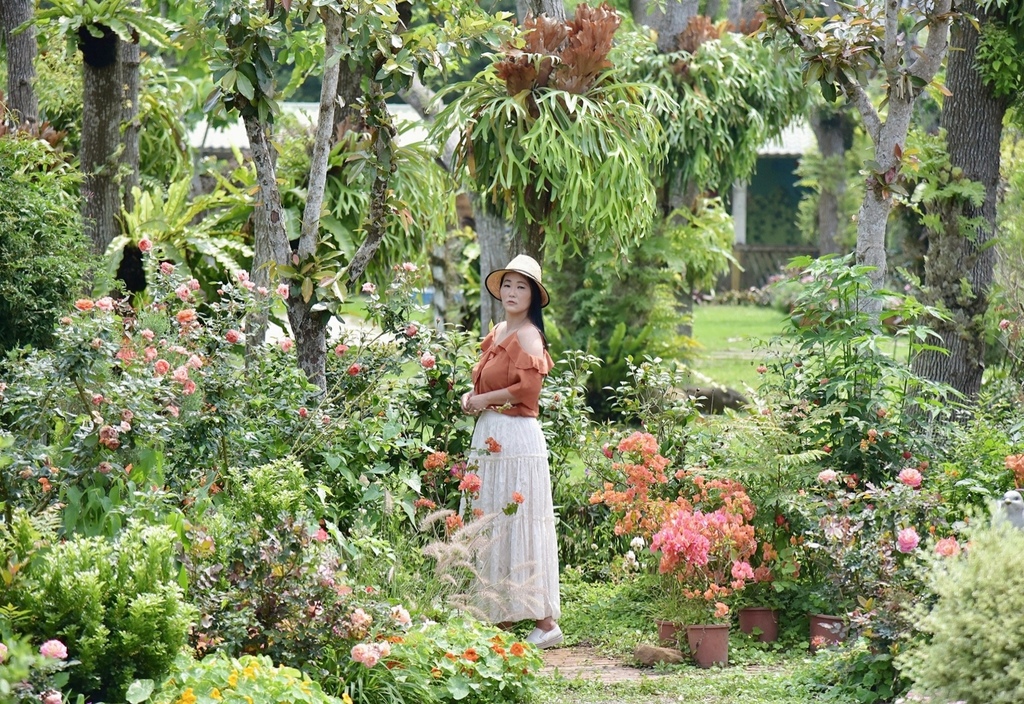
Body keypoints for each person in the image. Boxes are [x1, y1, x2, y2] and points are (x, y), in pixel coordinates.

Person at [460, 254, 562, 649]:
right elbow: (490, 381)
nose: (513, 292)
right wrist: (475, 397)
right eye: (508, 285)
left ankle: (545, 621)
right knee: (496, 520)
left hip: (517, 437)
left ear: (534, 296)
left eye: (522, 287)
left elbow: (527, 391)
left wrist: (484, 398)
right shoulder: (501, 329)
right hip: (493, 434)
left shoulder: (529, 336)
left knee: (520, 519)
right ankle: (497, 615)